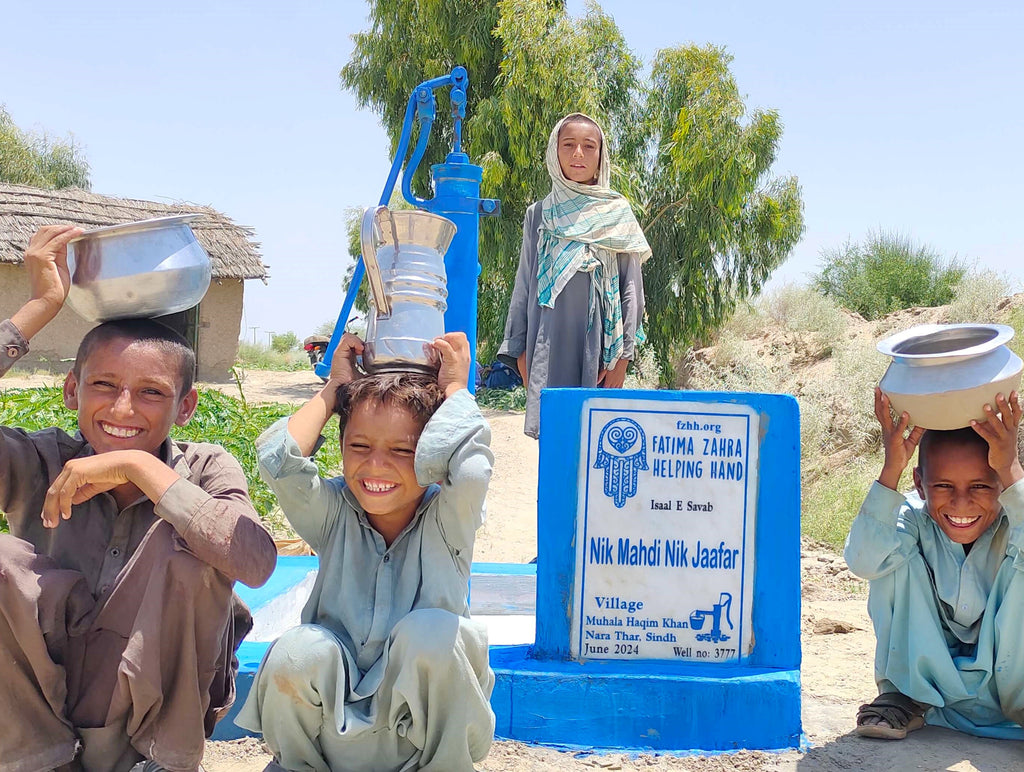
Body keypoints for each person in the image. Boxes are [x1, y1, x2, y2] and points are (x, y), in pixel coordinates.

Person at [0, 225, 278, 772]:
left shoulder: (205, 468)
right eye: (104, 386)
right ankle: (37, 760)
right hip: (52, 708)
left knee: (191, 557)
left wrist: (139, 467)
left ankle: (164, 763)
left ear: (186, 406)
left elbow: (255, 560)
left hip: (152, 728)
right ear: (71, 391)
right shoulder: (37, 462)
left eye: (151, 392)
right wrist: (39, 305)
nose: (123, 410)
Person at [235, 331, 495, 772]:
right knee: (298, 648)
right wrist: (333, 389)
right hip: (333, 742)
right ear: (340, 447)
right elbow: (277, 460)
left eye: (402, 450)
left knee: (435, 633)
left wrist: (455, 389)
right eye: (359, 447)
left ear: (432, 456)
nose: (376, 466)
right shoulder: (333, 512)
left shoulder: (450, 518)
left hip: (421, 748)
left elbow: (470, 472)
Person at [844, 387, 1024, 740]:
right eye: (943, 485)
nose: (961, 504)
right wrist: (891, 467)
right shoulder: (911, 518)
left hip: (1008, 682)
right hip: (930, 683)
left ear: (1001, 486)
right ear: (919, 484)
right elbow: (863, 561)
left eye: (981, 487)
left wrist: (1010, 468)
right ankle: (903, 695)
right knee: (888, 555)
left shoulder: (1013, 518)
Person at [497, 112, 652, 438]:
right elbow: (525, 282)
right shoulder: (539, 213)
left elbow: (631, 290)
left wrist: (623, 357)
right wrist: (520, 352)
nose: (578, 154)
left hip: (600, 348)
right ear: (555, 152)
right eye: (569, 145)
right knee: (555, 444)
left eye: (588, 146)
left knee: (596, 441)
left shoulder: (617, 213)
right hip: (547, 343)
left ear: (600, 156)